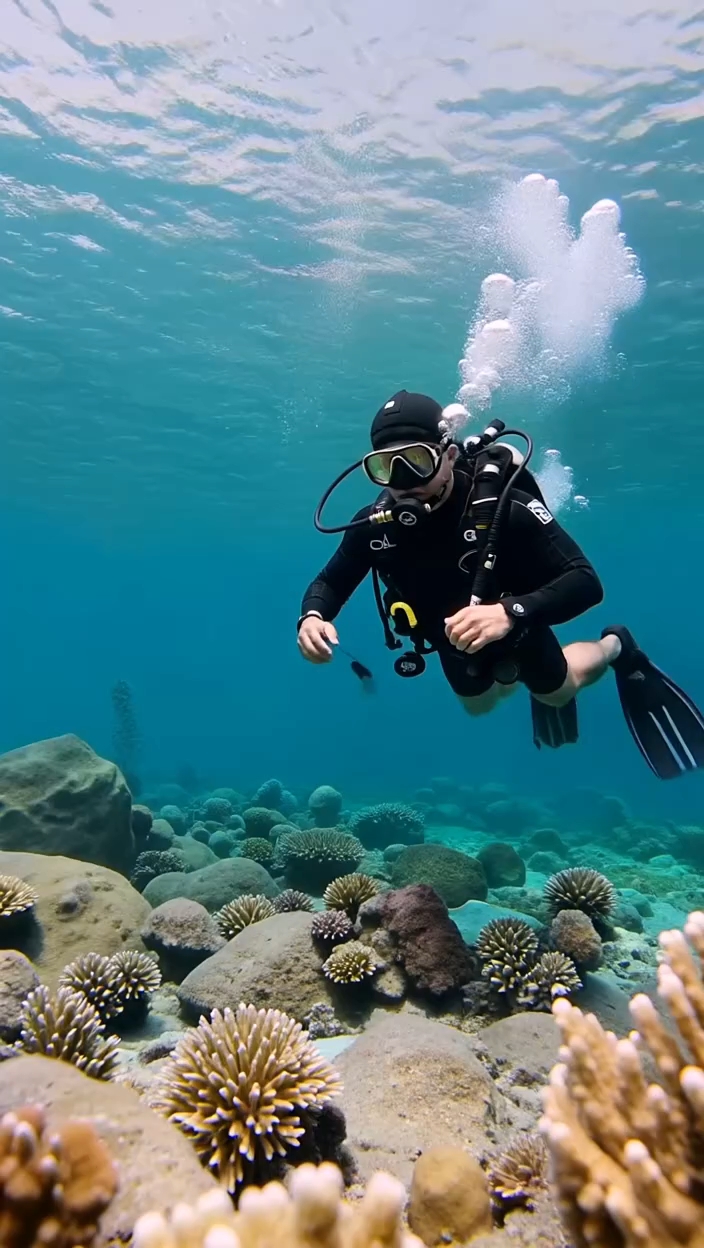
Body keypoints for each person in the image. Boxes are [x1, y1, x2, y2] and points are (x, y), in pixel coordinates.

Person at [297, 389, 704, 780]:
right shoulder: (372, 525)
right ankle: (510, 676)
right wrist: (313, 616)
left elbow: (585, 581)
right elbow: (331, 580)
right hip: (450, 638)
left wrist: (510, 613)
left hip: (519, 625)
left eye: (417, 461)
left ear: (449, 455)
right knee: (480, 707)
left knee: (557, 692)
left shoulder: (505, 509)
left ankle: (616, 646)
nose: (403, 480)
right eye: (386, 467)